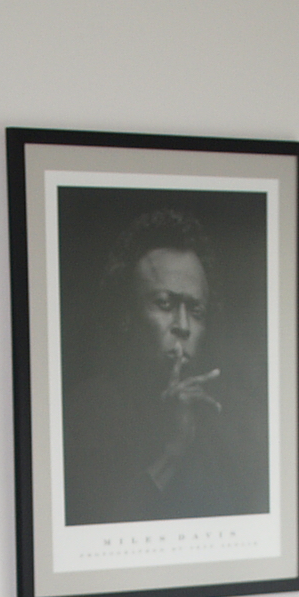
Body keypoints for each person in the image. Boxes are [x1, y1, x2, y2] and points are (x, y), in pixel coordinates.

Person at [61, 208, 265, 525]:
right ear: (126, 315)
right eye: (165, 304)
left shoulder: (239, 423)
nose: (182, 325)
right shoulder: (81, 415)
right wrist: (173, 451)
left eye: (196, 311)